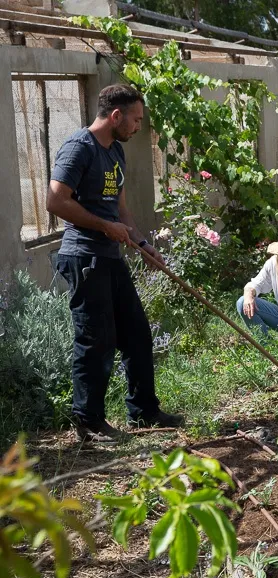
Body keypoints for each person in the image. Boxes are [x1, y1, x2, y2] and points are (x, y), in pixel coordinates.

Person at [47, 84, 185, 444]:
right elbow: (55, 201)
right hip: (84, 256)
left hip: (110, 257)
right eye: (136, 119)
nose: (139, 127)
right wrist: (105, 226)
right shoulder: (80, 148)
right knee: (96, 340)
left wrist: (142, 244)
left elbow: (120, 208)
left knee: (137, 332)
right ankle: (88, 422)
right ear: (116, 116)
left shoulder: (115, 153)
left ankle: (144, 411)